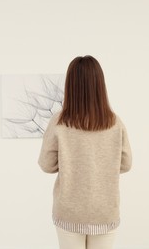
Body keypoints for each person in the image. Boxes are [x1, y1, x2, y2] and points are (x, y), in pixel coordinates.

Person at [38, 55, 132, 249]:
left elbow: (46, 164)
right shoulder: (115, 122)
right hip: (105, 212)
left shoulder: (59, 122)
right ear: (100, 85)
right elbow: (126, 163)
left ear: (70, 85)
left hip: (69, 212)